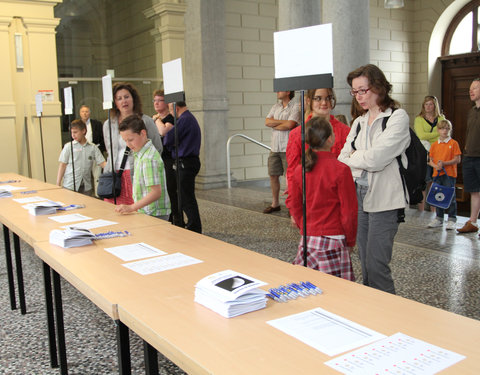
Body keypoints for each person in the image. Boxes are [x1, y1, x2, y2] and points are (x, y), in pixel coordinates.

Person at [338, 64, 410, 294]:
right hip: (359, 195)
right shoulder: (359, 122)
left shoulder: (397, 118)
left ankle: (391, 319)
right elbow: (341, 156)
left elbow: (377, 159)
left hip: (386, 198)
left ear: (379, 87)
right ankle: (372, 316)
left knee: (377, 265)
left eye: (363, 90)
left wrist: (355, 157)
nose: (359, 96)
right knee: (366, 265)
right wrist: (360, 157)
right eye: (355, 91)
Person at [285, 117, 357, 281]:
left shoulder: (300, 169)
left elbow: (293, 203)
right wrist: (350, 240)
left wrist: (304, 225)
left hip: (308, 239)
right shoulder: (341, 170)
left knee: (307, 287)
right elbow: (349, 212)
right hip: (334, 237)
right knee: (336, 290)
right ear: (331, 138)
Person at [102, 82, 162, 205]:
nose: (123, 101)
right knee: (114, 212)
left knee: (136, 210)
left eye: (126, 97)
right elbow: (109, 150)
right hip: (114, 175)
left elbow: (157, 147)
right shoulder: (109, 124)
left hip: (137, 173)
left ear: (133, 98)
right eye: (119, 98)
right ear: (115, 103)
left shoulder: (146, 121)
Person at [286, 88, 350, 192]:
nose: (324, 103)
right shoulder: (297, 134)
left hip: (337, 194)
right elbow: (292, 171)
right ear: (308, 101)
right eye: (318, 98)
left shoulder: (346, 131)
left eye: (328, 98)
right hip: (309, 195)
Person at [115, 115, 170, 220]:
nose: (128, 144)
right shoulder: (140, 153)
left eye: (130, 139)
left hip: (154, 213)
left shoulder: (149, 158)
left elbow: (156, 192)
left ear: (143, 133)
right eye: (125, 140)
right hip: (147, 210)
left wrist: (132, 207)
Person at [163, 101, 202, 233]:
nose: (170, 113)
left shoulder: (184, 119)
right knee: (186, 196)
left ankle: (194, 228)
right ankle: (193, 226)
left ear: (176, 108)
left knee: (186, 198)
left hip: (186, 162)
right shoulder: (188, 118)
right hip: (189, 161)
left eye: (170, 110)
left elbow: (168, 139)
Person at [263, 91, 301, 214]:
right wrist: (282, 124)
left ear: (288, 91)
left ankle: (292, 206)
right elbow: (267, 121)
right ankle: (275, 203)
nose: (277, 92)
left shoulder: (296, 106)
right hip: (275, 147)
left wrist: (275, 124)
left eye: (280, 90)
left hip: (288, 147)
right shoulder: (276, 106)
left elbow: (290, 124)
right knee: (273, 175)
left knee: (290, 178)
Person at [152, 89, 181, 225]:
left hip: (168, 160)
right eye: (155, 100)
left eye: (160, 100)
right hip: (156, 159)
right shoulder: (154, 119)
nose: (157, 103)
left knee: (171, 190)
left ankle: (176, 219)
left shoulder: (170, 118)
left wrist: (157, 119)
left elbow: (163, 131)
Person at [427, 119, 461, 230]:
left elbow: (457, 159)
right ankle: (439, 218)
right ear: (438, 130)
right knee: (437, 195)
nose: (444, 131)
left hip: (449, 174)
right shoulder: (434, 145)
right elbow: (429, 160)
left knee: (450, 196)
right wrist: (435, 166)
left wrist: (445, 163)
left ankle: (452, 219)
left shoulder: (453, 143)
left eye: (447, 128)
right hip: (437, 173)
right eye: (442, 128)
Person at [57, 119, 106, 196]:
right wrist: (58, 183)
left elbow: (102, 163)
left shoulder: (92, 147)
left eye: (75, 132)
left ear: (83, 131)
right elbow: (62, 165)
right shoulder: (68, 147)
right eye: (72, 132)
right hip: (70, 186)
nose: (73, 135)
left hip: (86, 187)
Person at [414, 96, 445, 211]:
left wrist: (438, 135)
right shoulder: (419, 119)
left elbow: (445, 134)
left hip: (438, 151)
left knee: (434, 182)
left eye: (430, 104)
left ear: (434, 105)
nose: (428, 107)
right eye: (426, 104)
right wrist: (437, 133)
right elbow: (421, 135)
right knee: (423, 180)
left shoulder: (441, 118)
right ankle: (421, 210)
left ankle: (434, 210)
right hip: (424, 152)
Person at [458, 78, 480, 233]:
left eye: (475, 88)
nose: (471, 91)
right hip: (470, 156)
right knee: (474, 191)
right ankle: (472, 222)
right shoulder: (471, 112)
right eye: (470, 88)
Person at [79, 105, 106, 197]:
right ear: (80, 113)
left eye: (86, 111)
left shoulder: (97, 124)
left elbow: (103, 138)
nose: (85, 113)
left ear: (89, 113)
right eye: (83, 112)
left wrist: (100, 148)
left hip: (95, 151)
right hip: (81, 152)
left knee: (97, 174)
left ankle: (98, 195)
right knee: (84, 175)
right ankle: (86, 194)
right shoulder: (77, 124)